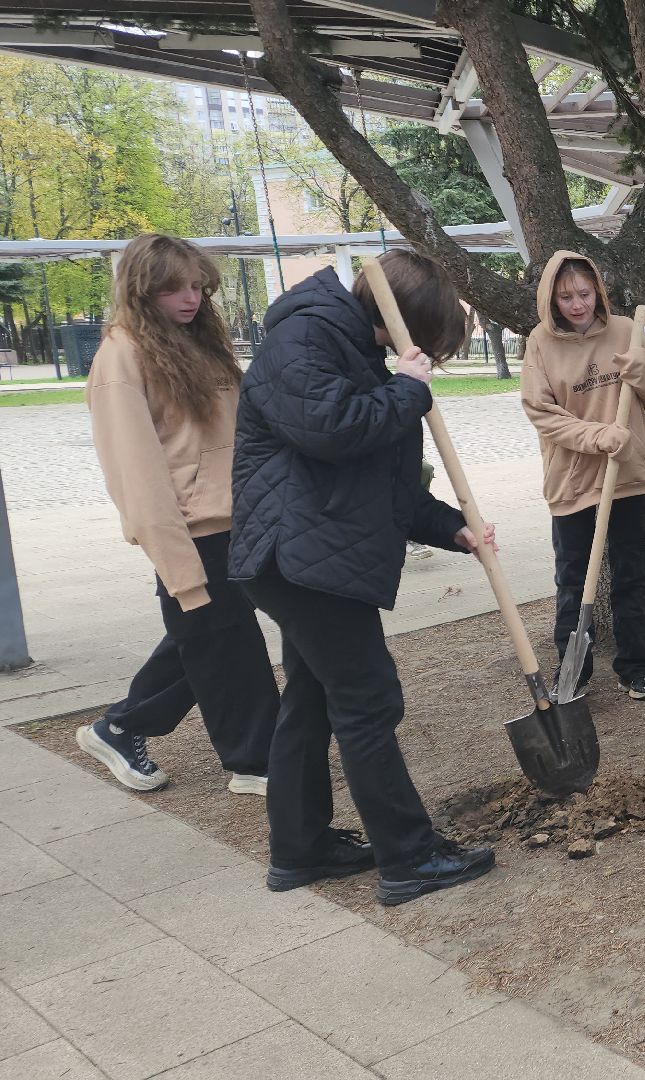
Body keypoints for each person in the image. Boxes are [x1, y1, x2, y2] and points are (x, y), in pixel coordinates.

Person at [229, 250, 498, 906]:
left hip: (313, 558)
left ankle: (300, 848)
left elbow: (391, 487)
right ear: (409, 321)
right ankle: (408, 859)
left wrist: (453, 528)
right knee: (368, 699)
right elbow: (330, 429)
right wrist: (408, 389)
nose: (430, 359)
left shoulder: (366, 360)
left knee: (314, 698)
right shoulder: (305, 335)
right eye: (434, 343)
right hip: (295, 557)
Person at [79, 233, 277, 795]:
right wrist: (180, 569)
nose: (190, 298)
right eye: (173, 288)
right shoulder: (121, 357)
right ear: (142, 290)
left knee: (207, 637)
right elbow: (136, 475)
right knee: (224, 644)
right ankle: (254, 762)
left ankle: (120, 725)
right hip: (191, 530)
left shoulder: (196, 342)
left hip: (236, 520)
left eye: (197, 286)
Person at [520, 251, 645, 701]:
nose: (577, 304)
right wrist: (597, 436)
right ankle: (574, 672)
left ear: (597, 292)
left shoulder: (627, 331)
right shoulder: (540, 343)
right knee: (572, 578)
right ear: (551, 298)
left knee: (630, 574)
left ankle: (635, 668)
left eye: (584, 293)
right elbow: (540, 411)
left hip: (626, 474)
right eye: (565, 296)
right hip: (572, 478)